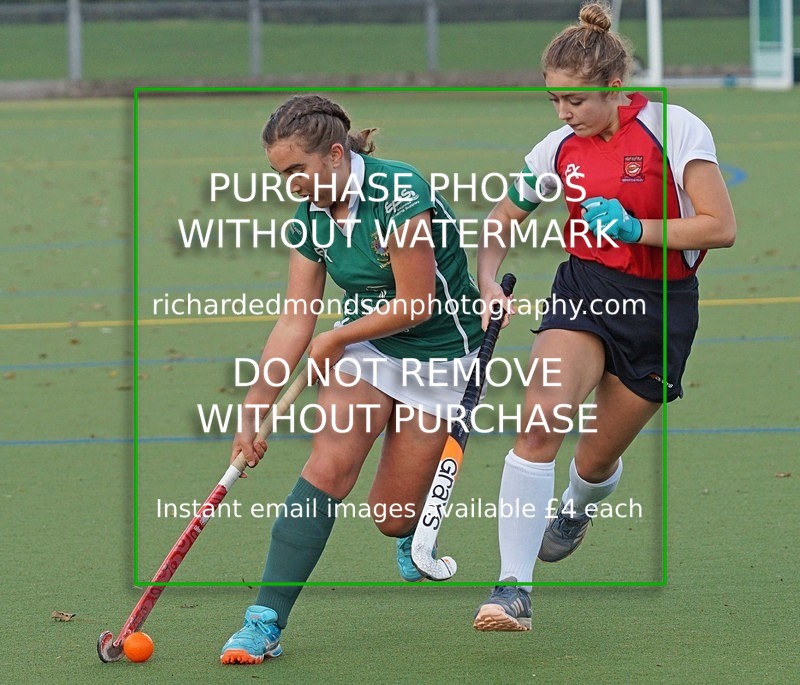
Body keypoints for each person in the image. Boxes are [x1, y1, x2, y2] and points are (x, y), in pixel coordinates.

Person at [472, 1, 736, 631]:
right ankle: (512, 589)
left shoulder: (676, 128)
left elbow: (719, 227)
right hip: (584, 288)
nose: (564, 114)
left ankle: (576, 505)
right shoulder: (557, 148)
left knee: (593, 460)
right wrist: (488, 281)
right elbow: (502, 220)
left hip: (661, 309)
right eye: (554, 102)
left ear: (615, 89)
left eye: (576, 102)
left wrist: (638, 227)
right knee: (540, 424)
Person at [219, 94, 486, 663]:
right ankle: (264, 620)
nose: (289, 184)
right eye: (279, 174)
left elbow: (416, 303)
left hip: (439, 351)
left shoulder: (400, 194)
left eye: (295, 170)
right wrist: (254, 409)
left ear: (335, 155)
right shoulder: (310, 220)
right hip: (366, 344)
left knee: (392, 518)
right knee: (327, 467)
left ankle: (412, 525)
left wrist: (335, 337)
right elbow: (295, 321)